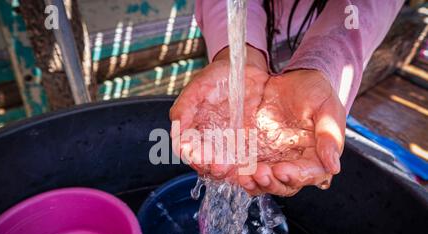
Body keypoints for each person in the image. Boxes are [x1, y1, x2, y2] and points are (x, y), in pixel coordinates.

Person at [170, 0, 404, 196]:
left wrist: (323, 63)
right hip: (236, 33)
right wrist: (237, 54)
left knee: (317, 118)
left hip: (333, 35)